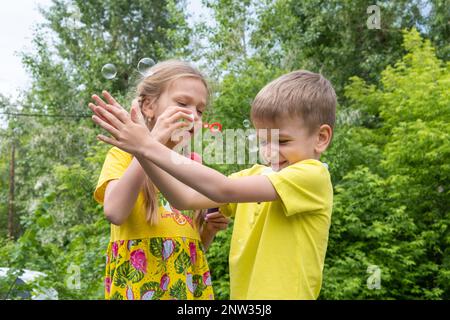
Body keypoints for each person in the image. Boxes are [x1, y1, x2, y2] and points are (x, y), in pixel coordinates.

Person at [90, 69, 336, 299]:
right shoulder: (256, 173)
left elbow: (222, 189)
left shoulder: (312, 176)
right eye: (263, 141)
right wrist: (143, 150)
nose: (271, 151)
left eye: (281, 141)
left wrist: (146, 145)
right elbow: (184, 198)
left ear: (321, 138)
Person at [90, 60, 229, 300]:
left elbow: (190, 250)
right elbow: (114, 212)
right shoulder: (124, 155)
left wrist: (208, 231)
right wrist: (148, 145)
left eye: (200, 110)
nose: (193, 115)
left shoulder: (193, 165)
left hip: (186, 288)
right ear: (149, 106)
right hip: (139, 285)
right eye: (183, 103)